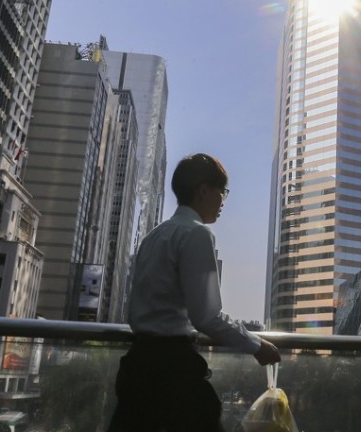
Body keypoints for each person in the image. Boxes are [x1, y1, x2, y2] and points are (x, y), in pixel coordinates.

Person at [108, 153, 280, 432]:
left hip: (137, 365)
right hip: (173, 372)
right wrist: (256, 345)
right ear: (203, 190)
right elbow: (207, 316)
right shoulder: (197, 234)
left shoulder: (155, 236)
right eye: (222, 192)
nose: (224, 201)